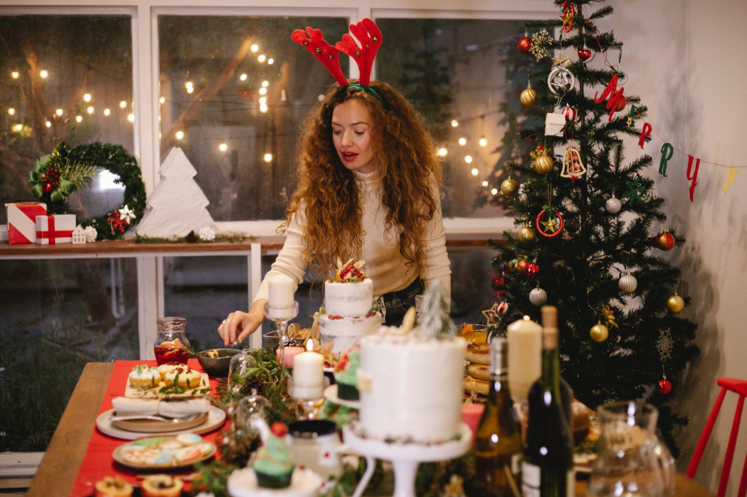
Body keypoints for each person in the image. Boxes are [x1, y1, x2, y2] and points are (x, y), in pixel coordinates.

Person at [218, 21, 450, 346]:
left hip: (406, 317)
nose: (345, 142)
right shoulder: (322, 186)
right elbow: (290, 261)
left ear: (384, 131)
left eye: (358, 130)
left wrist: (437, 327)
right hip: (343, 319)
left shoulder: (416, 178)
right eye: (337, 130)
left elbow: (435, 260)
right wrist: (256, 312)